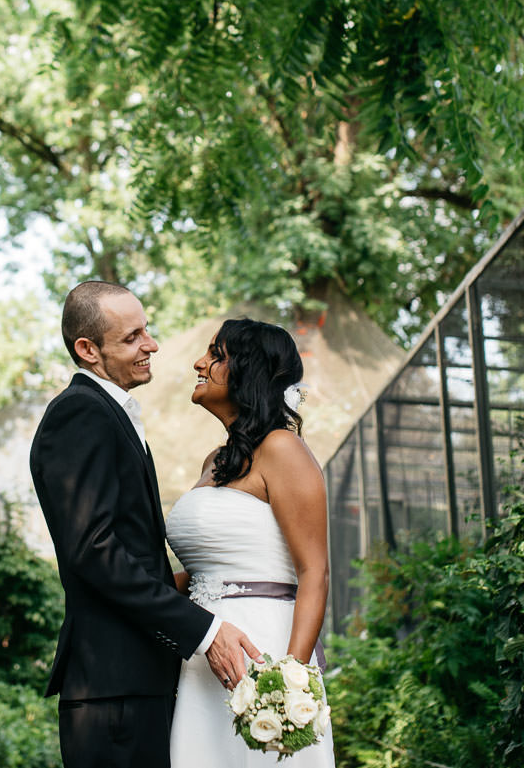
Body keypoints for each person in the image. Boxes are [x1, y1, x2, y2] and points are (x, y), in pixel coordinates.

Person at [31, 281, 261, 768]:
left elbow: (125, 551)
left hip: (136, 684)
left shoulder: (108, 413)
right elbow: (94, 551)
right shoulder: (79, 414)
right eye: (133, 336)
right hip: (115, 692)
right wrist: (205, 629)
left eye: (147, 331)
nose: (152, 345)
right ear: (88, 349)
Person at [167, 318, 335, 767]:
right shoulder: (215, 460)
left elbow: (314, 572)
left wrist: (288, 685)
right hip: (203, 656)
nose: (199, 363)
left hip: (263, 653)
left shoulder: (283, 449)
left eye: (215, 355)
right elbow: (210, 570)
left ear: (248, 372)